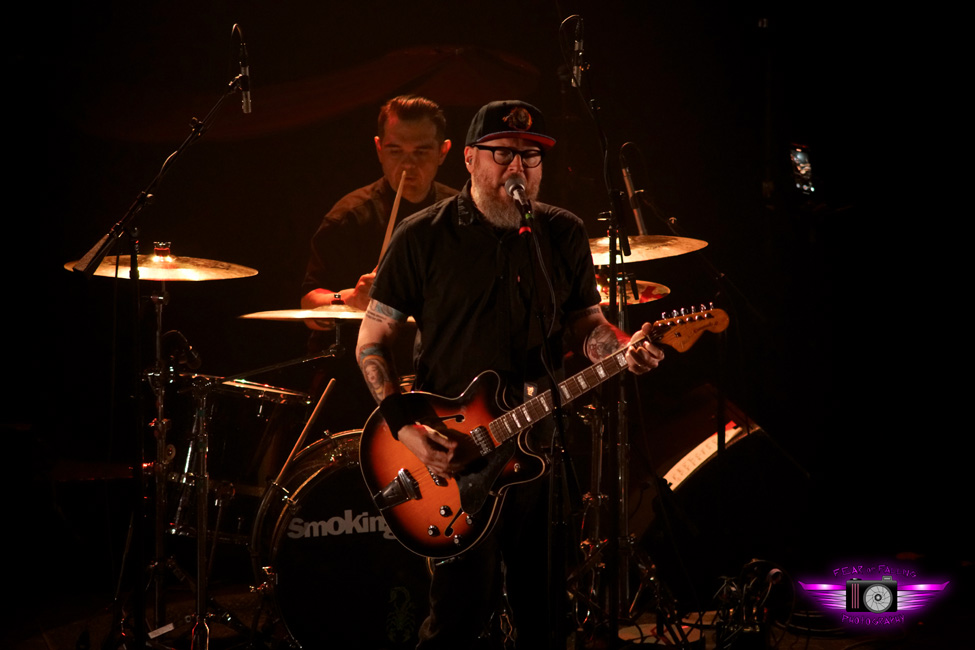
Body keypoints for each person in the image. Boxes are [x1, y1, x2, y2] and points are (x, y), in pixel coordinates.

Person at [355, 100, 664, 649]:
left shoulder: (561, 233)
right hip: (452, 452)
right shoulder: (422, 236)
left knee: (544, 615)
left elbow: (587, 326)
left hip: (540, 448)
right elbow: (372, 340)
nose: (518, 168)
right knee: (458, 619)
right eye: (503, 154)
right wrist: (404, 427)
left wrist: (620, 347)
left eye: (531, 157)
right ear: (470, 159)